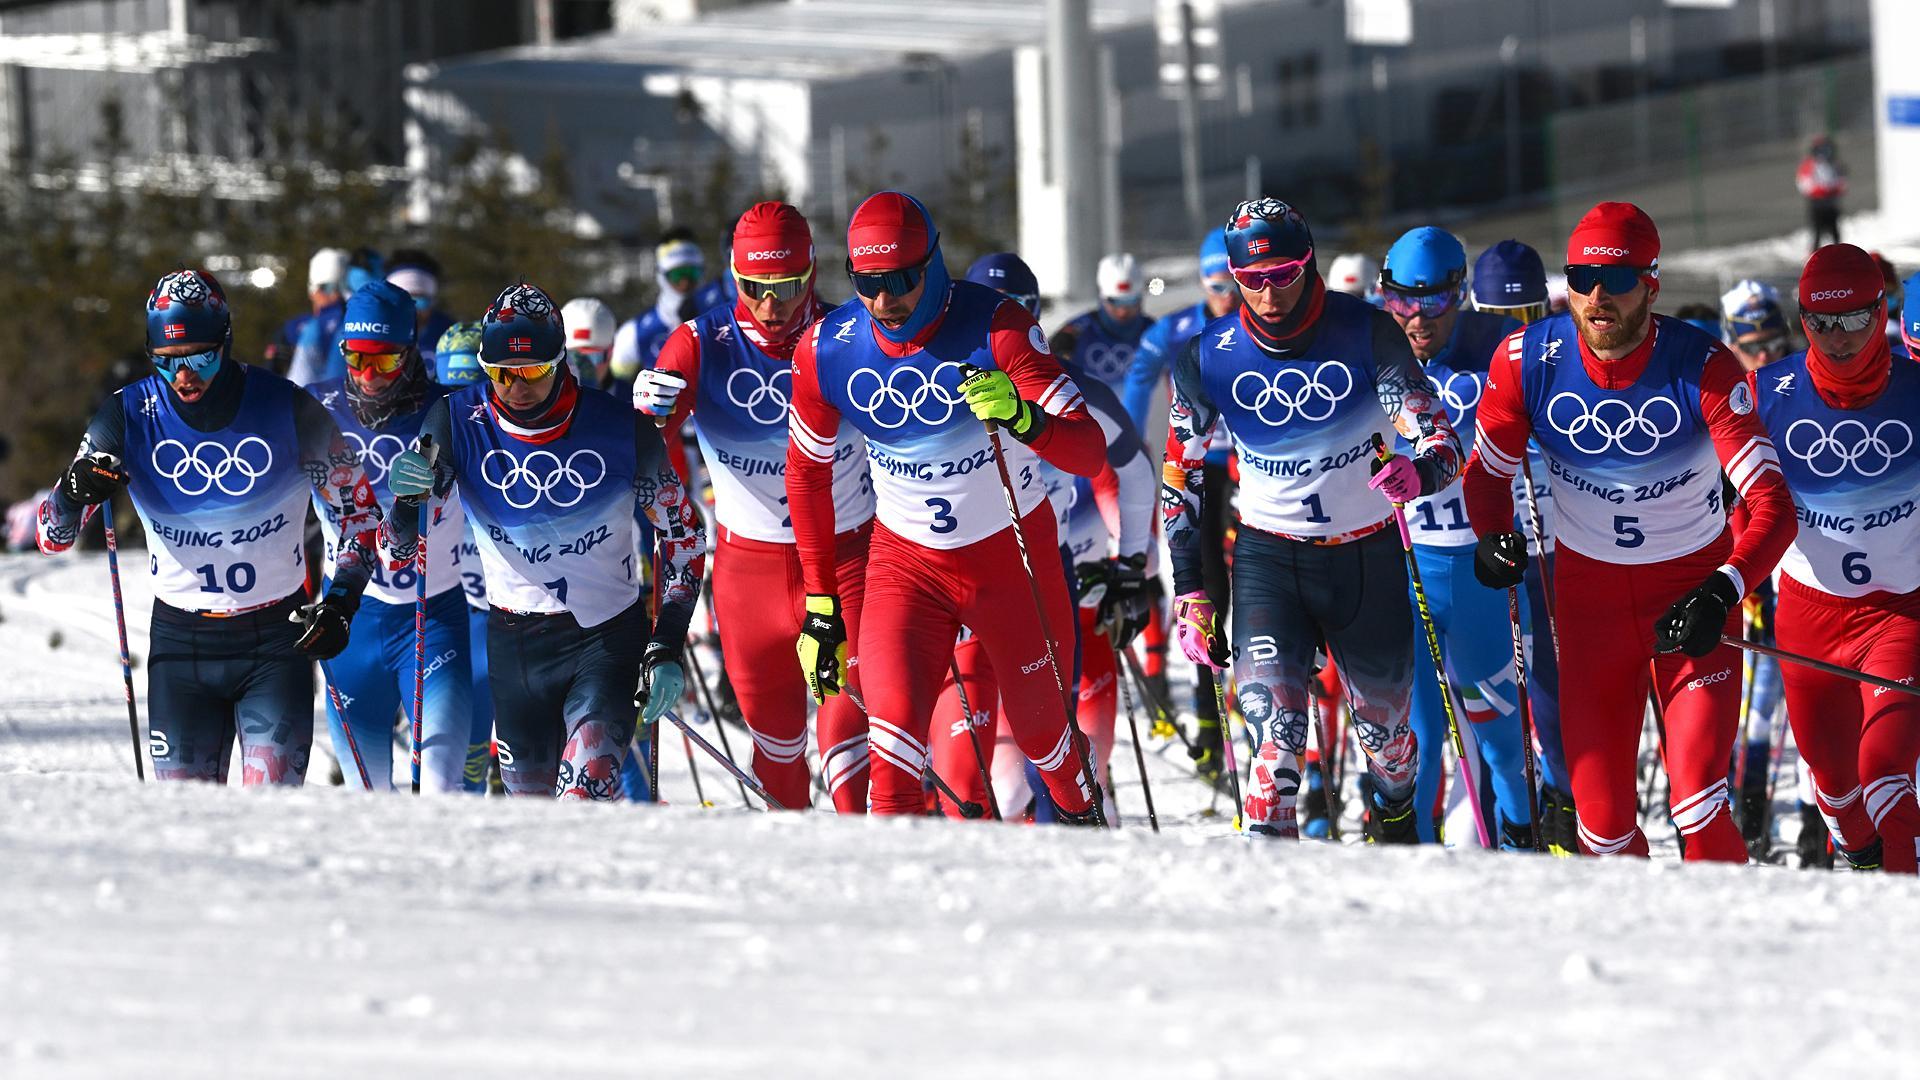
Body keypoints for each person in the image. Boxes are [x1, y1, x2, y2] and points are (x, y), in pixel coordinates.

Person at [1461, 201, 1795, 862]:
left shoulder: (1701, 365)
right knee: (1604, 830)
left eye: (1616, 280)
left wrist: (1723, 592)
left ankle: (1736, 953)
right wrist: (1492, 536)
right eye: (1582, 277)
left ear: (1652, 283)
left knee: (1699, 803)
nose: (1596, 296)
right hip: (1591, 606)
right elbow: (1485, 474)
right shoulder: (1528, 360)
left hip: (1691, 597)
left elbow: (1773, 504)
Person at [784, 190, 1109, 822]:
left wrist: (1022, 416)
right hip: (907, 565)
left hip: (1011, 558)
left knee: (1050, 748)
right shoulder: (826, 348)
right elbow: (805, 477)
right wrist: (821, 601)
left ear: (933, 264)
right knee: (895, 752)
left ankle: (1085, 865)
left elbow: (1090, 451)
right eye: (868, 283)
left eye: (902, 280)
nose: (886, 300)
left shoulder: (1000, 328)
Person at [1161, 198, 1465, 841]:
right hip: (1272, 560)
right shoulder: (1208, 356)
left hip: (1366, 557)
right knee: (1273, 756)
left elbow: (1439, 440)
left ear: (1310, 264)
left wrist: (1420, 472)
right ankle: (1279, 915)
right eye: (1252, 280)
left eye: (1285, 274)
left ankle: (1397, 823)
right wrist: (1190, 591)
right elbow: (1179, 476)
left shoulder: (1367, 331)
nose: (1270, 295)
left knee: (1388, 746)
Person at [37, 269, 378, 783]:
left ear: (226, 342)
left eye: (201, 356)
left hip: (274, 643)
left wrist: (341, 604)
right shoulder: (127, 414)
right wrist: (72, 491)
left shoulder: (287, 407)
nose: (184, 375)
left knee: (270, 818)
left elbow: (359, 519)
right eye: (167, 361)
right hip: (181, 646)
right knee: (186, 828)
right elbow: (50, 536)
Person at [382, 282, 706, 800]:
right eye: (501, 373)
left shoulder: (622, 428)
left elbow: (685, 536)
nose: (516, 387)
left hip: (604, 640)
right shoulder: (455, 421)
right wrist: (403, 503)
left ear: (560, 363)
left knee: (584, 797)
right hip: (515, 644)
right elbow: (397, 550)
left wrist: (667, 642)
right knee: (529, 818)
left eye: (532, 370)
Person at [633, 201, 877, 813]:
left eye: (789, 288)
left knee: (850, 740)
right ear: (732, 276)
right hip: (750, 574)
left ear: (813, 273)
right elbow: (649, 470)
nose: (771, 308)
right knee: (777, 756)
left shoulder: (856, 330)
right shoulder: (698, 343)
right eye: (753, 288)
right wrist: (647, 417)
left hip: (850, 557)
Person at [1747, 243, 1920, 873]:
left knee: (1885, 774)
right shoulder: (1767, 392)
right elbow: (1726, 494)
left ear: (1883, 311)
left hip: (1899, 614)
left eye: (1854, 320)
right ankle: (1864, 882)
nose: (1838, 337)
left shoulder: (1915, 391)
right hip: (1807, 617)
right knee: (1837, 791)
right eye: (1821, 321)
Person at [1379, 226, 1536, 849]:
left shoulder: (1501, 348)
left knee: (1497, 733)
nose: (1417, 320)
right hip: (1402, 569)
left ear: (1460, 293)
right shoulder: (1369, 353)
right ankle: (1411, 868)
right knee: (1410, 739)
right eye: (1400, 303)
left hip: (1477, 570)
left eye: (1434, 303)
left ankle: (1524, 844)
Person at [303, 281, 474, 792]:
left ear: (412, 349)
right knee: (369, 802)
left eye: (384, 361)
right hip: (352, 623)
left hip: (434, 617)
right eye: (356, 360)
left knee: (442, 792)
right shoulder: (315, 408)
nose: (368, 376)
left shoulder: (453, 410)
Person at [1122, 227, 1240, 781]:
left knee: (1255, 579)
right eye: (1215, 285)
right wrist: (1128, 451)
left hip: (1253, 470)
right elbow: (1137, 384)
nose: (1227, 297)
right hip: (1198, 469)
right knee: (1206, 589)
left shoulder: (1261, 318)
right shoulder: (1179, 329)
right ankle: (1209, 718)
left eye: (1233, 283)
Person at [1470, 238, 1575, 854]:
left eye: (1526, 318)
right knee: (1490, 708)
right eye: (1498, 322)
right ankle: (1502, 822)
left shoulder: (1563, 358)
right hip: (1483, 557)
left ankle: (1563, 816)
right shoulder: (1460, 367)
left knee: (1553, 699)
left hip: (1558, 556)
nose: (1514, 335)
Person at [433, 321, 498, 791]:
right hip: (463, 617)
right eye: (449, 391)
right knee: (464, 756)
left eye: (471, 390)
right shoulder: (435, 442)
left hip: (526, 618)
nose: (462, 406)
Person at [612, 229, 710, 378]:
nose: (685, 282)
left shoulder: (725, 322)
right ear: (661, 275)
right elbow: (617, 390)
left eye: (692, 273)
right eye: (677, 274)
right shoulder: (635, 333)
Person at [1050, 253, 1153, 387]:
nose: (1123, 311)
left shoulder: (1154, 333)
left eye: (1130, 302)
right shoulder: (1075, 333)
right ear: (1102, 299)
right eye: (1114, 302)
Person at [283, 248, 354, 386]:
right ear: (313, 291)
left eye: (339, 288)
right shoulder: (298, 326)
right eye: (327, 287)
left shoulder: (347, 322)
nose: (335, 294)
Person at [385, 250, 457, 368]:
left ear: (432, 301)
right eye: (404, 302)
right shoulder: (374, 335)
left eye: (420, 302)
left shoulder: (452, 336)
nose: (413, 310)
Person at [1796, 135, 1847, 251]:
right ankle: (1814, 257)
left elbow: (1841, 182)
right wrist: (1822, 190)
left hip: (1831, 204)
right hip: (1817, 204)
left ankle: (1839, 255)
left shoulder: (1835, 165)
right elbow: (1804, 184)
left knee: (1835, 233)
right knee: (1817, 233)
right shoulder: (1809, 165)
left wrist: (1835, 189)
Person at [561, 297, 621, 393]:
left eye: (594, 357)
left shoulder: (632, 402)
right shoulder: (536, 400)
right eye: (571, 356)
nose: (582, 367)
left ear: (610, 353)